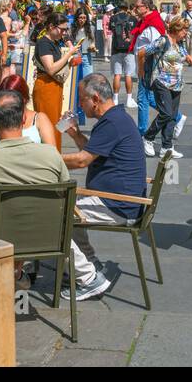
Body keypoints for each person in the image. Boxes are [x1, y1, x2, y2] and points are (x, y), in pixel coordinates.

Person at [0, 89, 76, 284]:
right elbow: (63, 193)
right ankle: (15, 273)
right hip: (49, 235)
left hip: (6, 236)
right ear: (23, 120)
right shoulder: (52, 155)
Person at [60, 75, 149, 300]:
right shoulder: (116, 118)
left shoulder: (112, 122)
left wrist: (47, 159)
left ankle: (89, 278)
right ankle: (89, 262)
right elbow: (93, 150)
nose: (80, 105)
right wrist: (74, 133)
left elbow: (82, 160)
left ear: (96, 99)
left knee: (55, 218)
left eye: (82, 100)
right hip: (121, 200)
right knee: (69, 209)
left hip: (117, 204)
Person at [139, 15, 192, 159]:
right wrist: (141, 70)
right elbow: (142, 52)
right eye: (184, 30)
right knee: (166, 113)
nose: (186, 33)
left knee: (171, 117)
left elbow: (188, 59)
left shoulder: (179, 44)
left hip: (177, 84)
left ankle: (167, 147)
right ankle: (148, 137)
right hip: (161, 82)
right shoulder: (163, 40)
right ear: (177, 29)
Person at [0, 74, 61, 150]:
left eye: (12, 99)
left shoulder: (39, 119)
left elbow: (52, 153)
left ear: (24, 98)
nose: (8, 103)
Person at [32, 12, 79, 149]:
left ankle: (55, 157)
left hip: (53, 87)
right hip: (46, 87)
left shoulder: (54, 42)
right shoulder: (44, 43)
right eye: (62, 29)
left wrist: (69, 62)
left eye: (66, 29)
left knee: (55, 125)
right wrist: (69, 54)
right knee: (49, 127)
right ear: (51, 26)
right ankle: (51, 159)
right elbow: (51, 69)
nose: (64, 32)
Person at [129, 0, 166, 138]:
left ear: (146, 7)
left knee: (142, 99)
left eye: (138, 6)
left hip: (147, 65)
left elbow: (157, 46)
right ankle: (175, 116)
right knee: (148, 98)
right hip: (144, 64)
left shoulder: (152, 23)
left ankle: (142, 132)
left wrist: (143, 65)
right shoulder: (145, 22)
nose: (135, 9)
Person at [71, 0, 97, 127]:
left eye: (84, 17)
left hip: (86, 57)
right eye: (80, 18)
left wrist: (93, 47)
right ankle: (77, 115)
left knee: (86, 85)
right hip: (76, 57)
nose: (82, 20)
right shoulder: (73, 28)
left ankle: (85, 113)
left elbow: (93, 42)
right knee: (76, 86)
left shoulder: (90, 28)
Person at [109, 2, 138, 109]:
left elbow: (111, 31)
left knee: (117, 74)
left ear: (118, 8)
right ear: (127, 8)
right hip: (129, 50)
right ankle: (129, 100)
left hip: (116, 49)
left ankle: (115, 99)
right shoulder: (132, 19)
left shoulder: (113, 18)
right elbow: (135, 33)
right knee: (128, 75)